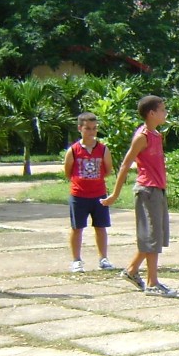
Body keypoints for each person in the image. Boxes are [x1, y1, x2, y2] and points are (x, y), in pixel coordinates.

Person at [103, 95, 174, 296]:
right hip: (147, 191)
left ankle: (132, 271)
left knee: (155, 237)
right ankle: (152, 283)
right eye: (162, 109)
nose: (165, 113)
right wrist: (115, 194)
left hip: (157, 190)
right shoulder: (142, 136)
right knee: (152, 238)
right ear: (151, 113)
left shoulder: (156, 135)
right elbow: (126, 164)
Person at [64, 112, 115, 273]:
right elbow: (68, 171)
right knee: (77, 228)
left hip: (99, 194)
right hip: (78, 195)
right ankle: (76, 260)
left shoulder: (103, 149)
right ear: (80, 128)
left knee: (101, 227)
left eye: (94, 128)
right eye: (87, 128)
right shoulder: (73, 150)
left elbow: (107, 170)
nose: (91, 132)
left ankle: (103, 258)